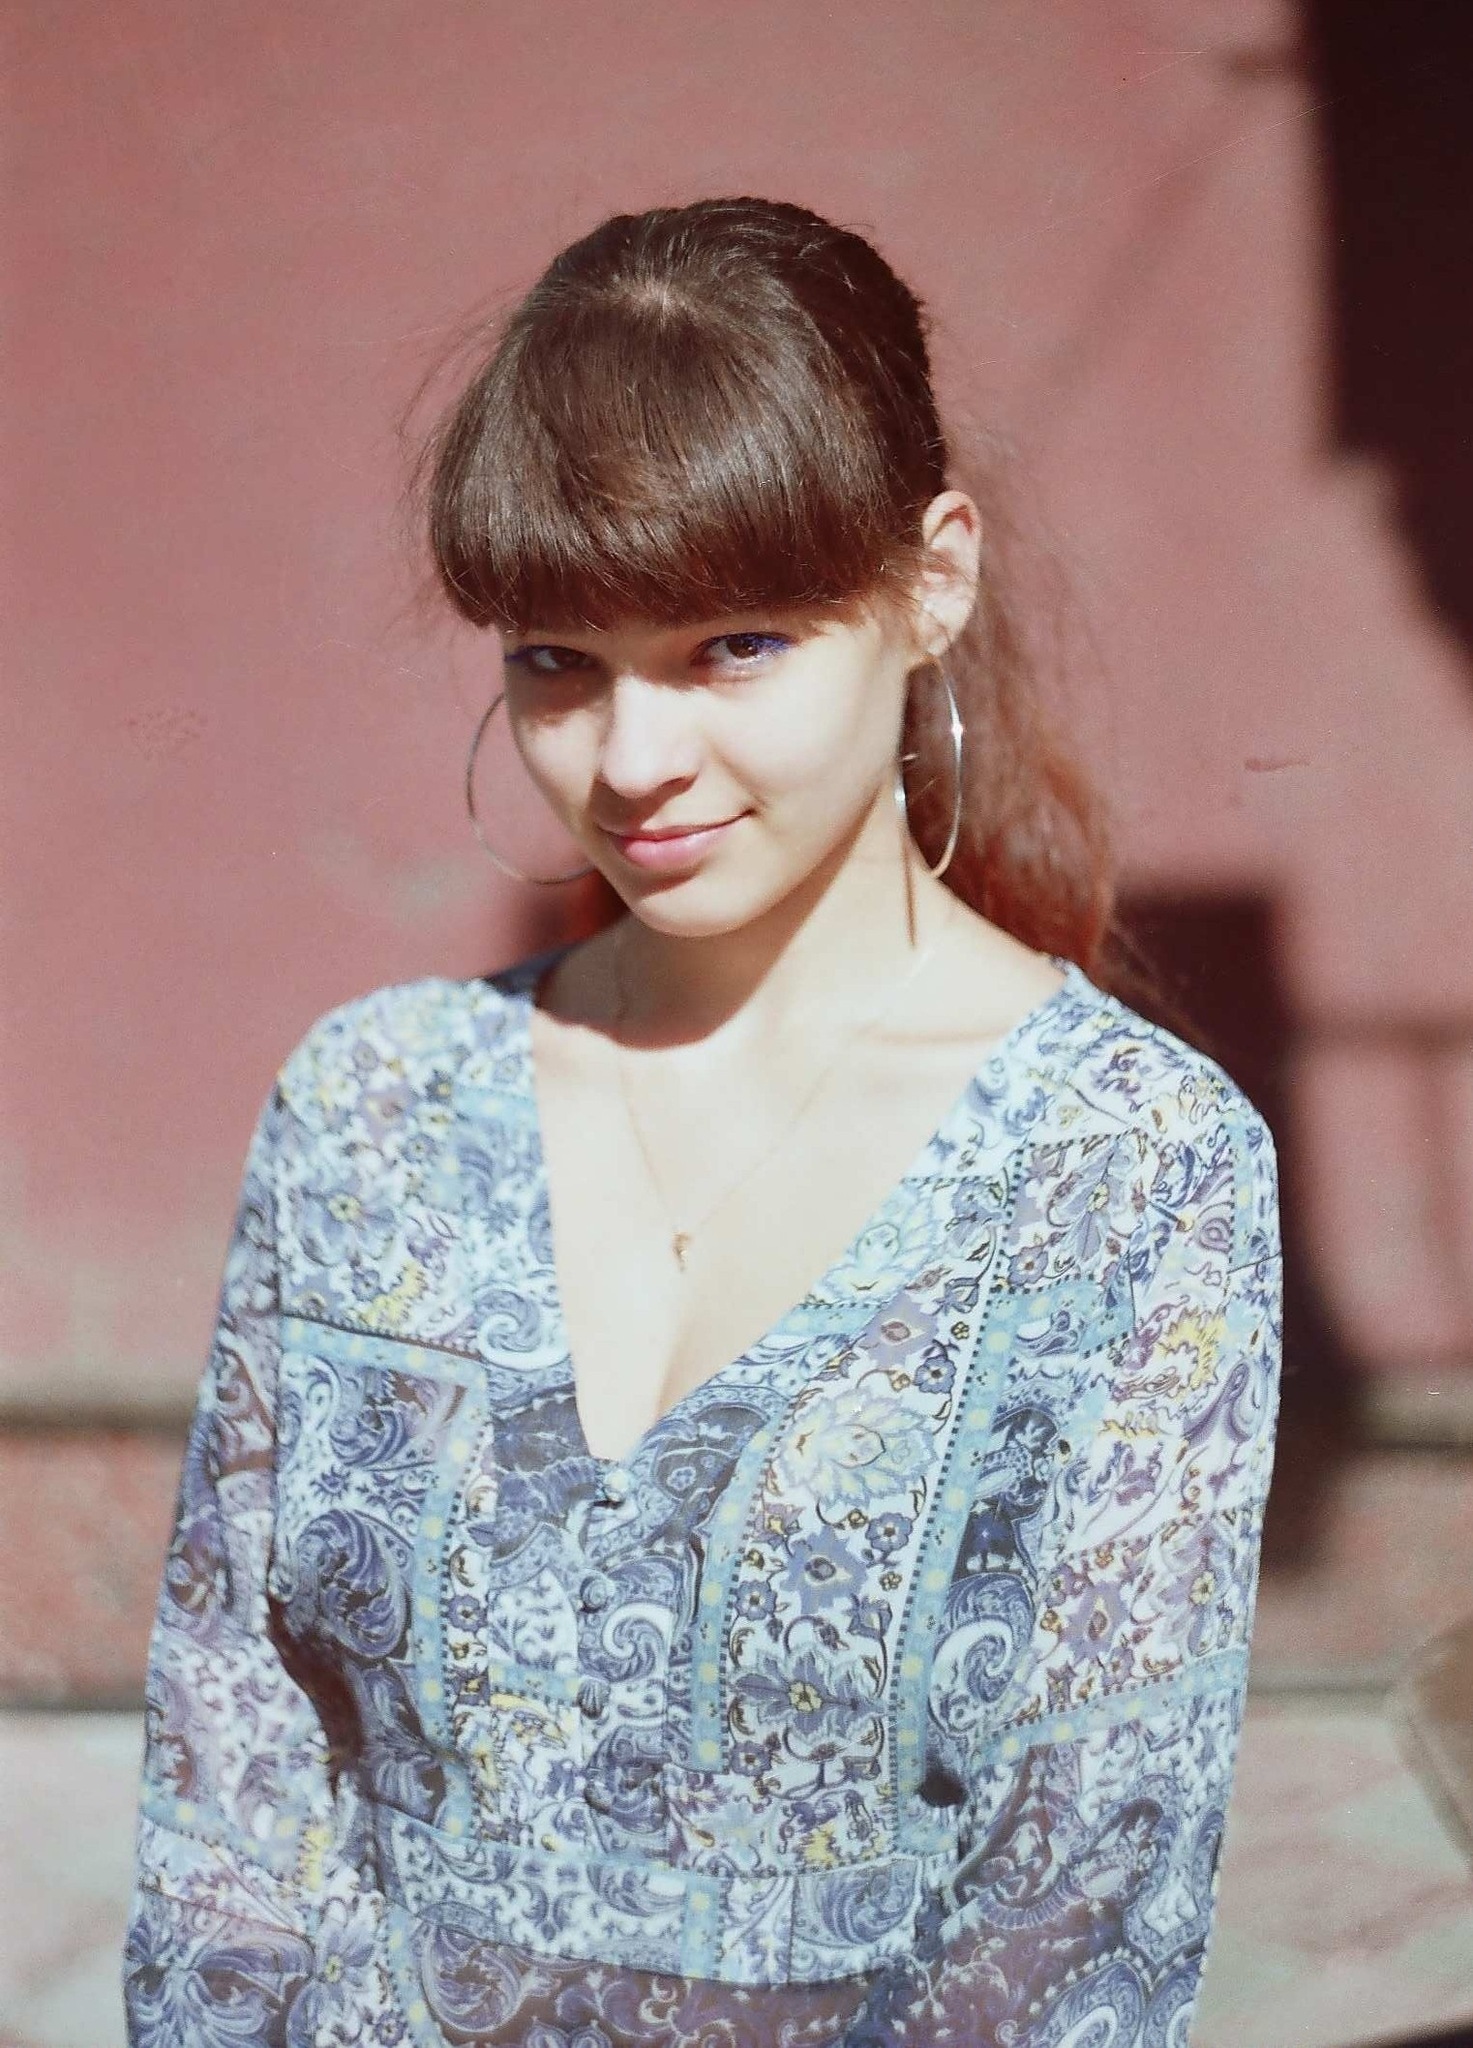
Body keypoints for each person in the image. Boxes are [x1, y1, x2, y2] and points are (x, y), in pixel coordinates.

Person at [122, 196, 1283, 2047]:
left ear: (933, 581)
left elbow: (1077, 1916)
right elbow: (229, 1792)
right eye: (556, 661)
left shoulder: (1127, 1169)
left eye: (734, 645)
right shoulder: (371, 1107)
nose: (633, 760)